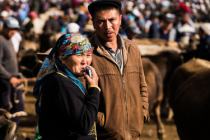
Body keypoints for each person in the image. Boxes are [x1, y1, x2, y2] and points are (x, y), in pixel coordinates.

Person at [88, 0, 149, 139]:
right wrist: (102, 121)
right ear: (93, 23)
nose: (108, 26)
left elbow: (142, 85)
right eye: (101, 21)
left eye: (112, 20)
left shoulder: (132, 48)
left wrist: (142, 112)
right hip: (106, 135)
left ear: (120, 19)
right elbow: (82, 94)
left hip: (135, 133)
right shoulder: (87, 53)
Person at [33, 33, 100, 140]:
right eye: (78, 54)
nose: (85, 61)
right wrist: (94, 89)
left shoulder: (68, 80)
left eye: (88, 55)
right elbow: (84, 124)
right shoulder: (60, 82)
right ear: (63, 57)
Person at [0, 16, 25, 114]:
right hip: (5, 81)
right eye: (11, 29)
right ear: (5, 28)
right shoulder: (1, 40)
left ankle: (13, 128)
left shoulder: (9, 39)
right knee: (5, 108)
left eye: (15, 29)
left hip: (13, 79)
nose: (14, 32)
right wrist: (9, 77)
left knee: (17, 107)